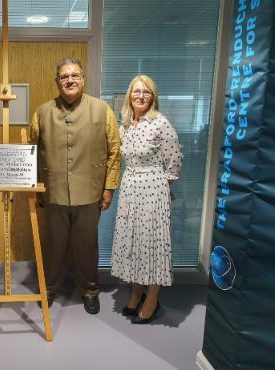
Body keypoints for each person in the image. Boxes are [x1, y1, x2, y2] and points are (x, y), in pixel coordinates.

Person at [29, 57, 121, 314]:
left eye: (74, 76)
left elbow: (115, 152)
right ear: (57, 81)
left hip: (90, 193)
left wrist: (109, 187)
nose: (69, 80)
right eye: (64, 77)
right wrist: (36, 186)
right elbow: (32, 151)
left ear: (83, 79)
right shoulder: (42, 112)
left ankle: (90, 290)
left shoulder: (103, 110)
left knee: (86, 245)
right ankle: (48, 288)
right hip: (53, 192)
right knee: (53, 245)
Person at [111, 74, 183, 324]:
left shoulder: (160, 123)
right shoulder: (125, 125)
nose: (141, 96)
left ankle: (152, 298)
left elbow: (175, 160)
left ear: (153, 97)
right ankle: (135, 294)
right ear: (129, 95)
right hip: (130, 189)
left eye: (147, 92)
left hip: (153, 191)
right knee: (132, 242)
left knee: (152, 245)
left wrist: (162, 186)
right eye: (136, 91)